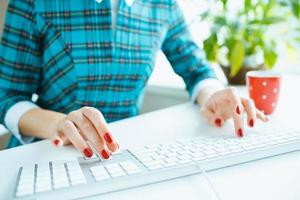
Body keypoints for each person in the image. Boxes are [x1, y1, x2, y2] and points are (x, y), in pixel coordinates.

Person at [0, 0, 268, 159]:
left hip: (123, 155)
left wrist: (212, 95)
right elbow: (7, 96)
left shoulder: (162, 5)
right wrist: (59, 123)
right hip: (48, 151)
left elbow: (196, 69)